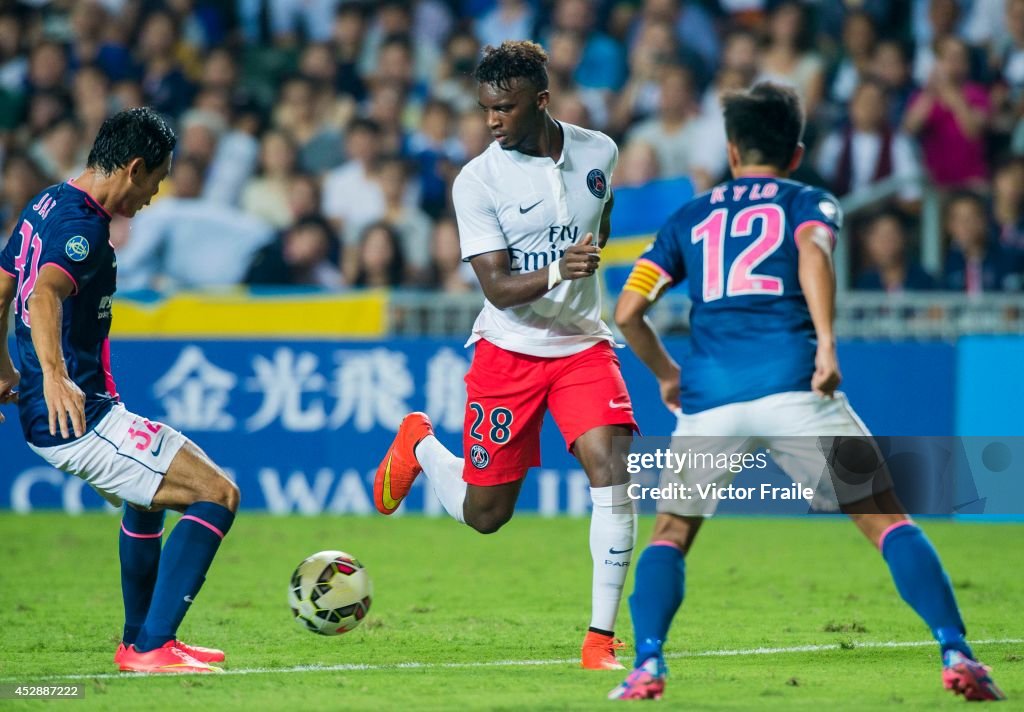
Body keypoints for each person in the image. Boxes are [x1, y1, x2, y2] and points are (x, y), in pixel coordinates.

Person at [609, 83, 1005, 702]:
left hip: (711, 398)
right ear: (795, 153)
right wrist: (826, 343)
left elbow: (629, 311)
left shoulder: (687, 216)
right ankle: (956, 651)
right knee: (886, 522)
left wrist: (666, 373)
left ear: (733, 152)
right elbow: (813, 255)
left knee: (670, 534)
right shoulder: (810, 202)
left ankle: (648, 664)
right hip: (796, 386)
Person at [372, 41, 639, 671]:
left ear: (541, 102)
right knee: (486, 514)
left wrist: (584, 258)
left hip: (582, 348)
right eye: (486, 107)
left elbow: (601, 213)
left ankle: (599, 640)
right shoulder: (477, 180)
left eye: (506, 107)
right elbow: (496, 288)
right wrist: (558, 271)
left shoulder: (599, 150)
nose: (492, 120)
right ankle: (419, 446)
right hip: (509, 351)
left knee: (611, 469)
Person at [0, 108, 239, 675]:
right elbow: (43, 297)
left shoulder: (46, 202)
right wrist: (53, 374)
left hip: (68, 408)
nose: (153, 195)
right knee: (217, 494)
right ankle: (154, 645)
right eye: (155, 180)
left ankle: (139, 641)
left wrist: (5, 371)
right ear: (133, 168)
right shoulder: (83, 227)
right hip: (75, 415)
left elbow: (3, 288)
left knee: (144, 499)